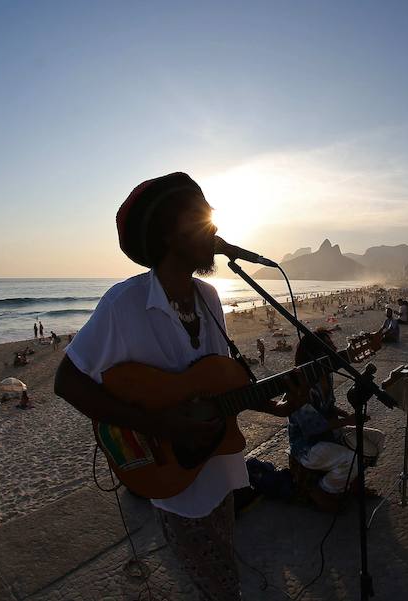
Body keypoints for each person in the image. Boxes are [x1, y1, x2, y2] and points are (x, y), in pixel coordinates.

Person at [54, 172, 309, 600]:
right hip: (171, 476)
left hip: (221, 468)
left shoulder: (210, 297)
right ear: (171, 234)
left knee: (226, 573)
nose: (215, 232)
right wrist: (163, 425)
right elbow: (67, 381)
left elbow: (223, 386)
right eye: (202, 221)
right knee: (219, 588)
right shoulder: (124, 303)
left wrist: (280, 406)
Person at [287, 329, 385, 513]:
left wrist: (346, 415)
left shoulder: (327, 374)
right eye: (329, 348)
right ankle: (323, 491)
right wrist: (348, 420)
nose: (335, 350)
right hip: (307, 446)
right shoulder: (300, 386)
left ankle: (354, 483)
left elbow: (328, 406)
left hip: (330, 433)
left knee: (378, 439)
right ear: (315, 356)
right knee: (351, 459)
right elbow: (311, 429)